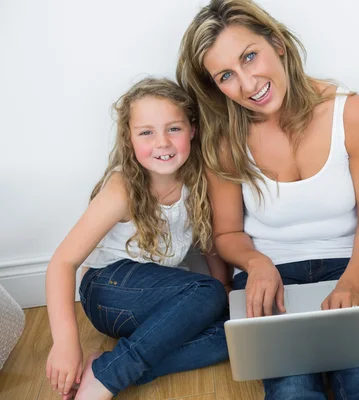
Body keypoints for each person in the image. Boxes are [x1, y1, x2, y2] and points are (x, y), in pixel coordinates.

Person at [177, 1, 359, 399]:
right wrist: (257, 263)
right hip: (271, 280)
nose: (248, 85)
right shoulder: (226, 140)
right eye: (226, 75)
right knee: (292, 388)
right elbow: (226, 231)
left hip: (350, 267)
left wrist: (351, 285)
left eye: (250, 57)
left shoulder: (351, 113)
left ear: (277, 44)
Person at [44, 78, 230, 400]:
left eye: (174, 129)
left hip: (154, 299)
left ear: (193, 130)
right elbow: (63, 262)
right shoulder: (124, 188)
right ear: (129, 140)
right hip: (107, 290)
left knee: (229, 333)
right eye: (146, 132)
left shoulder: (200, 176)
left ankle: (108, 368)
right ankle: (107, 379)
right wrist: (65, 342)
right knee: (206, 292)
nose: (162, 143)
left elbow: (208, 238)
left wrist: (225, 289)